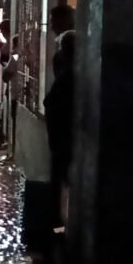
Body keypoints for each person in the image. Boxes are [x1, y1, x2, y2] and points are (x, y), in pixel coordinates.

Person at [44, 30, 75, 228]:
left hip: (63, 140)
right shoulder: (73, 74)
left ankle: (58, 227)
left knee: (61, 182)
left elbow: (50, 102)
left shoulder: (69, 77)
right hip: (64, 139)